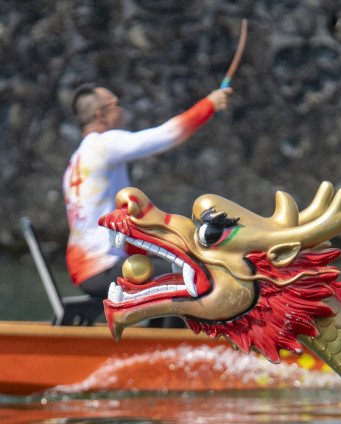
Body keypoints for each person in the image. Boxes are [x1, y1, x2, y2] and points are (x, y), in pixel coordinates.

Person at [63, 84, 233, 298]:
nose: (123, 110)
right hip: (102, 267)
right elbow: (167, 134)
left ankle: (161, 329)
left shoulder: (73, 164)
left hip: (86, 269)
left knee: (179, 267)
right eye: (116, 104)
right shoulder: (103, 145)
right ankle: (168, 332)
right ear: (101, 115)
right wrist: (210, 104)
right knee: (197, 275)